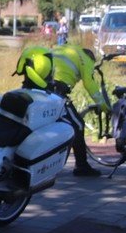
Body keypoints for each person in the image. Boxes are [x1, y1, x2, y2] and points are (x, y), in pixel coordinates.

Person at [14, 43, 108, 177]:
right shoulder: (86, 60)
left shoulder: (68, 48)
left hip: (39, 84)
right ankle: (81, 166)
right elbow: (89, 83)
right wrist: (103, 105)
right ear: (91, 58)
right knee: (78, 125)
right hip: (56, 91)